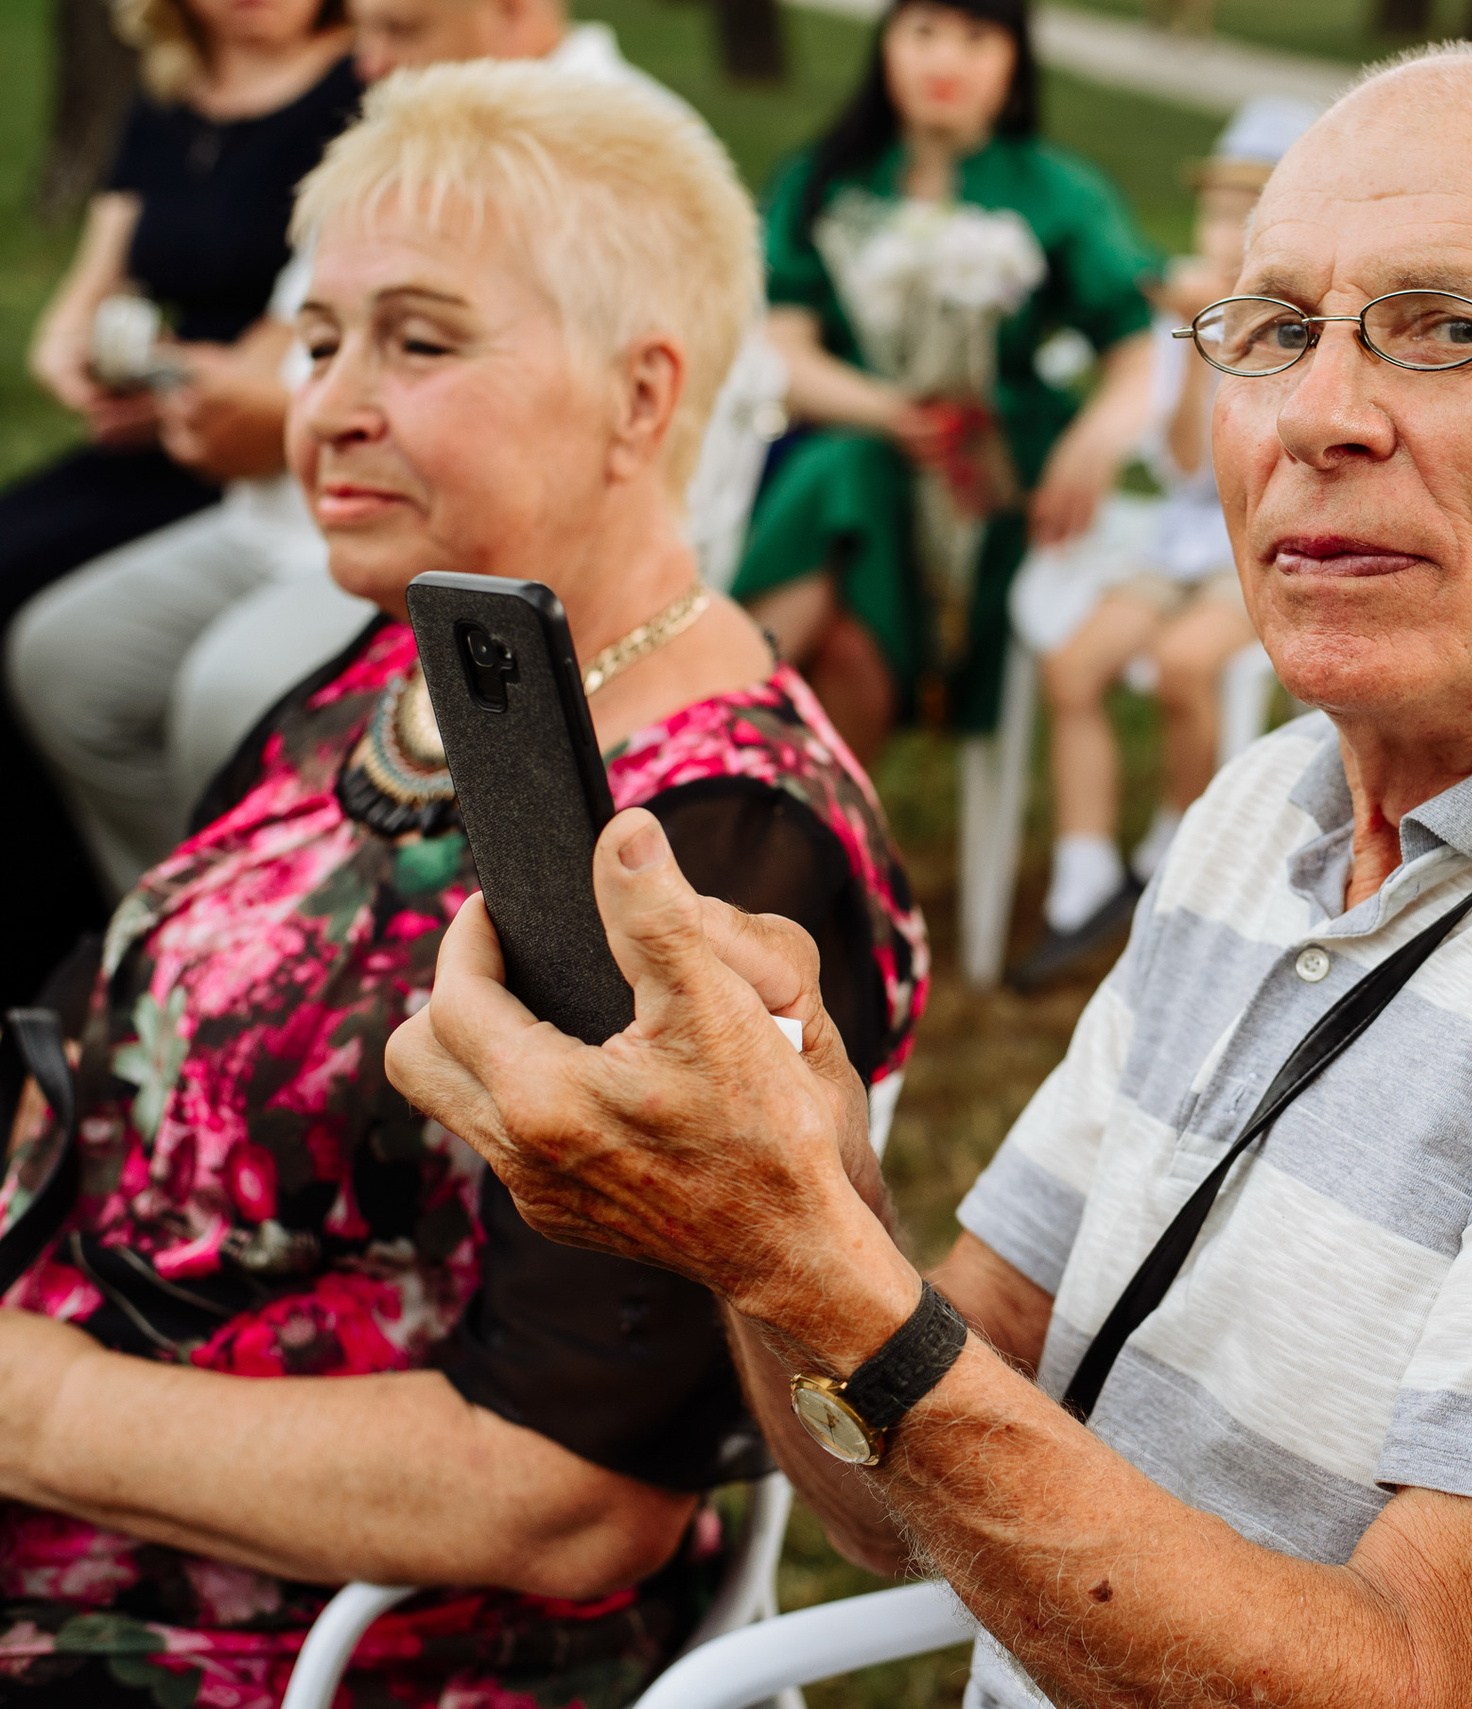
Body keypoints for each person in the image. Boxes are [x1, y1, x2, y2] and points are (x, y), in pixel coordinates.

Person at [393, 43, 1472, 1708]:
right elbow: (891, 1484)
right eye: (1269, 333)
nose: (1320, 415)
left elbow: (1422, 1683)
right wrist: (797, 1186)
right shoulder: (1275, 810)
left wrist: (801, 1255)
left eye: (1451, 326)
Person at [0, 63, 925, 1708]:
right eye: (318, 340)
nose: (332, 403)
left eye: (419, 341)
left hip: (303, 1633)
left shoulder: (699, 834)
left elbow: (567, 1492)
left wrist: (43, 1411)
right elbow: (118, 1008)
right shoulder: (425, 666)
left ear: (645, 398)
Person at [8, 0, 787, 902]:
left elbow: (680, 474)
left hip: (474, 564)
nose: (366, 62)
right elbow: (290, 354)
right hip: (287, 519)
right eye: (361, 29)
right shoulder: (400, 141)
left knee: (232, 689)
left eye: (401, 31)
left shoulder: (620, 163)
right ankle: (196, 914)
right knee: (64, 654)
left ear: (513, 12)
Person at [0, 0, 358, 1013]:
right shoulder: (164, 99)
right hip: (150, 426)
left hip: (245, 435)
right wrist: (73, 361)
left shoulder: (356, 87)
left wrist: (190, 388)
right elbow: (88, 287)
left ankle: (161, 935)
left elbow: (301, 332)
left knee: (37, 599)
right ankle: (72, 929)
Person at [734, 0, 1160, 760]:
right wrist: (890, 411)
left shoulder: (1056, 191)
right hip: (863, 453)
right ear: (887, 44)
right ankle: (817, 833)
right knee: (845, 630)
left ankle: (721, 703)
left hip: (992, 481)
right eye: (923, 32)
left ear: (1013, 61)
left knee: (841, 474)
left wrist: (1094, 441)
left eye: (976, 37)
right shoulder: (828, 179)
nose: (945, 61)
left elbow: (1138, 347)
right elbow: (783, 348)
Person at [1006, 96, 1318, 991]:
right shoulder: (1193, 319)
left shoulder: (1304, 335)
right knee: (1075, 667)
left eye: (1248, 214)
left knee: (1185, 665)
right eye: (1218, 210)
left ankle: (1182, 845)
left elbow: (1256, 469)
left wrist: (1245, 334)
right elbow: (1188, 462)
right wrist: (1200, 342)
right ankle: (1085, 870)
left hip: (1261, 538)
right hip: (1187, 534)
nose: (1225, 230)